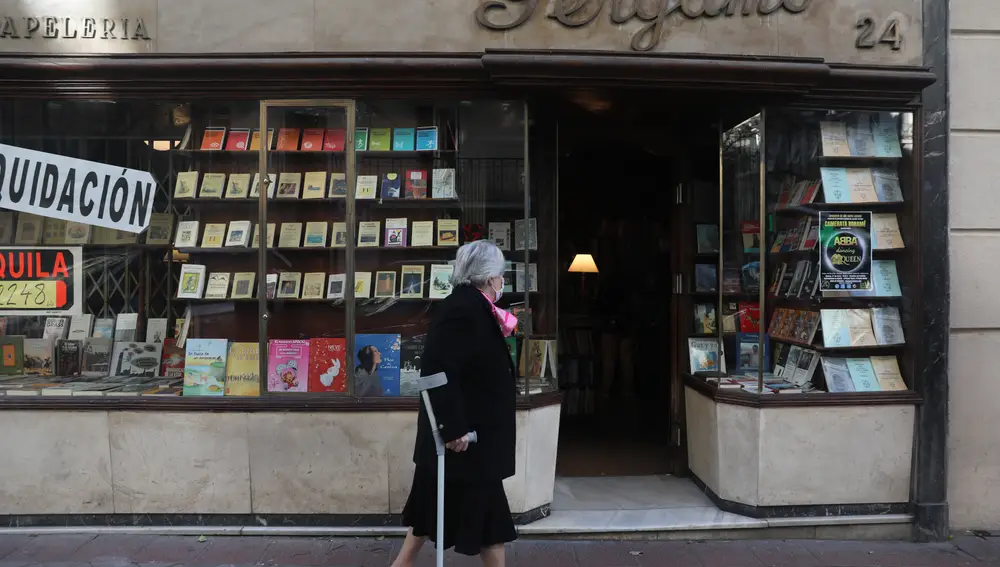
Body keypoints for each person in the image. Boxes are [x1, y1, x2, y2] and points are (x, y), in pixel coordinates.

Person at [391, 240, 518, 567]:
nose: (502, 281)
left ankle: (401, 565)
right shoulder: (463, 309)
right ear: (489, 277)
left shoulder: (471, 306)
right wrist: (453, 428)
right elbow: (437, 372)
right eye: (500, 275)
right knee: (488, 521)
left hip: (473, 437)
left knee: (433, 510)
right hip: (466, 439)